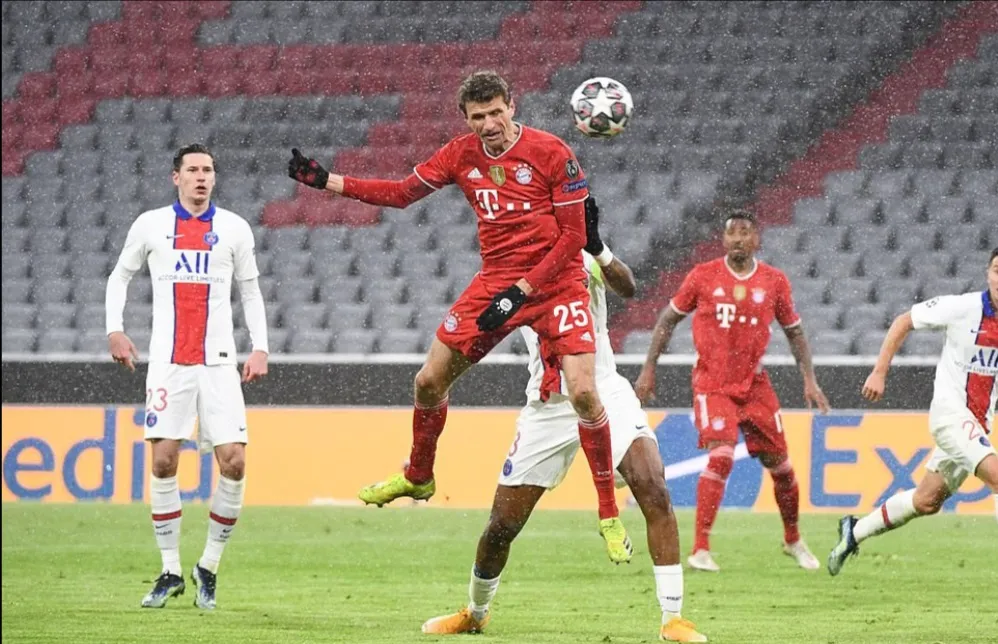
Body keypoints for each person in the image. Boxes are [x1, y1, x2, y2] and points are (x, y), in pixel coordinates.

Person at [288, 70, 630, 561]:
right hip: (496, 279)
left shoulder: (554, 152)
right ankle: (418, 476)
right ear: (464, 118)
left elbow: (575, 238)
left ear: (513, 104)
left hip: (555, 283)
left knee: (582, 391)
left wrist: (523, 290)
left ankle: (608, 514)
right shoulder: (459, 153)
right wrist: (328, 181)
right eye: (478, 117)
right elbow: (403, 192)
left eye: (496, 112)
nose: (489, 124)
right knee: (428, 381)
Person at [421, 198, 707, 642]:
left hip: (603, 388)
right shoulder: (510, 268)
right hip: (547, 405)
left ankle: (673, 619)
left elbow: (629, 287)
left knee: (651, 485)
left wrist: (598, 246)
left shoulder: (582, 255)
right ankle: (475, 613)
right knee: (502, 526)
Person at [105, 144, 269, 610]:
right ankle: (170, 569)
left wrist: (260, 347)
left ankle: (208, 567)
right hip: (168, 362)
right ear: (175, 177)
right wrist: (114, 330)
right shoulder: (151, 224)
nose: (202, 177)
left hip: (218, 362)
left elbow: (251, 291)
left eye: (208, 170)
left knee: (234, 461)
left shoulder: (234, 228)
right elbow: (119, 277)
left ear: (215, 178)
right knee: (162, 462)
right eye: (193, 170)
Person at [634, 208, 830, 573]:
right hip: (713, 383)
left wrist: (809, 379)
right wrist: (649, 369)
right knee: (721, 454)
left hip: (755, 386)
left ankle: (793, 540)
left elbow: (795, 332)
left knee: (783, 469)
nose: (738, 239)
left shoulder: (774, 281)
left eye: (745, 232)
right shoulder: (703, 276)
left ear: (757, 239)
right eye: (732, 233)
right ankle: (700, 548)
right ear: (723, 239)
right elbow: (667, 319)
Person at [828, 247, 998, 575]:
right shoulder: (962, 308)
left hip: (978, 424)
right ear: (987, 273)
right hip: (951, 416)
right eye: (996, 269)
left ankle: (854, 531)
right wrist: (879, 371)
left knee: (926, 501)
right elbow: (904, 321)